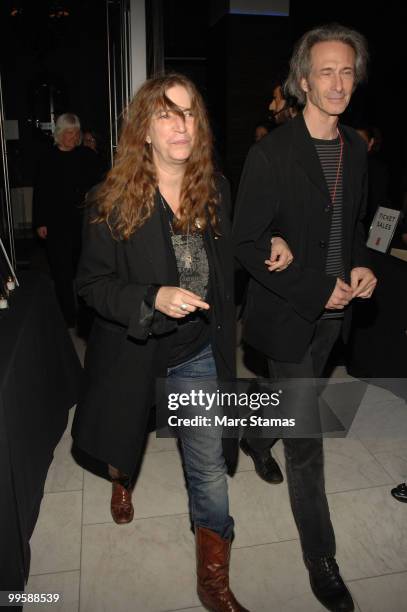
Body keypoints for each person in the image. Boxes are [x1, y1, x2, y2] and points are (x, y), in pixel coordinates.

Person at [71, 73, 292, 612]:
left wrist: (271, 241)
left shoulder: (213, 186)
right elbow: (91, 285)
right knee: (125, 437)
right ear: (144, 129)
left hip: (196, 349)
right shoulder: (109, 199)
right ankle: (121, 478)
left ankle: (212, 579)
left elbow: (233, 247)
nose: (181, 125)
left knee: (208, 465)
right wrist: (151, 298)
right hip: (134, 349)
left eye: (189, 113)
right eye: (167, 113)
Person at [233, 24, 377, 612]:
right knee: (308, 436)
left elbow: (358, 225)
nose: (338, 82)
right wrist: (314, 284)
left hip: (333, 318)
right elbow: (245, 239)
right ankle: (321, 557)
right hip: (291, 310)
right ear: (302, 80)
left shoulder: (358, 148)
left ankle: (251, 435)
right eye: (326, 71)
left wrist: (364, 266)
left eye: (347, 71)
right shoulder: (271, 153)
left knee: (282, 397)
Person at [33, 113, 102, 326]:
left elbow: (102, 181)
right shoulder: (47, 158)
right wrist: (40, 222)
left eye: (76, 133)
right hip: (56, 224)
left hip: (82, 223)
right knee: (62, 274)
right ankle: (67, 317)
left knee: (84, 270)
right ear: (60, 134)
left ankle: (86, 317)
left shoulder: (86, 156)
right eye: (69, 132)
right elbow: (40, 192)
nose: (73, 137)